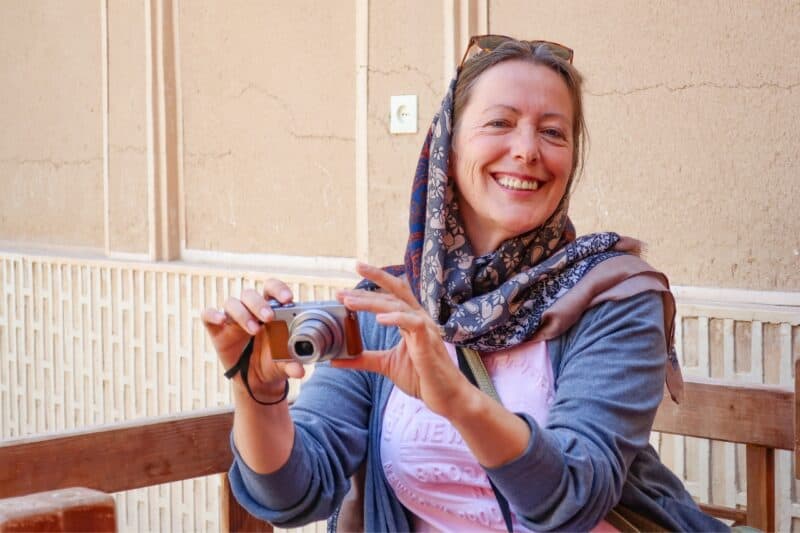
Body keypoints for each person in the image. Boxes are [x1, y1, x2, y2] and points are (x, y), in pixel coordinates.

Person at [203, 36, 728, 532]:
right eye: (500, 122)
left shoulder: (615, 295)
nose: (527, 150)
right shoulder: (391, 308)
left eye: (552, 131)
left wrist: (457, 399)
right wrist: (258, 392)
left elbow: (575, 495)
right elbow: (294, 495)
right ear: (447, 147)